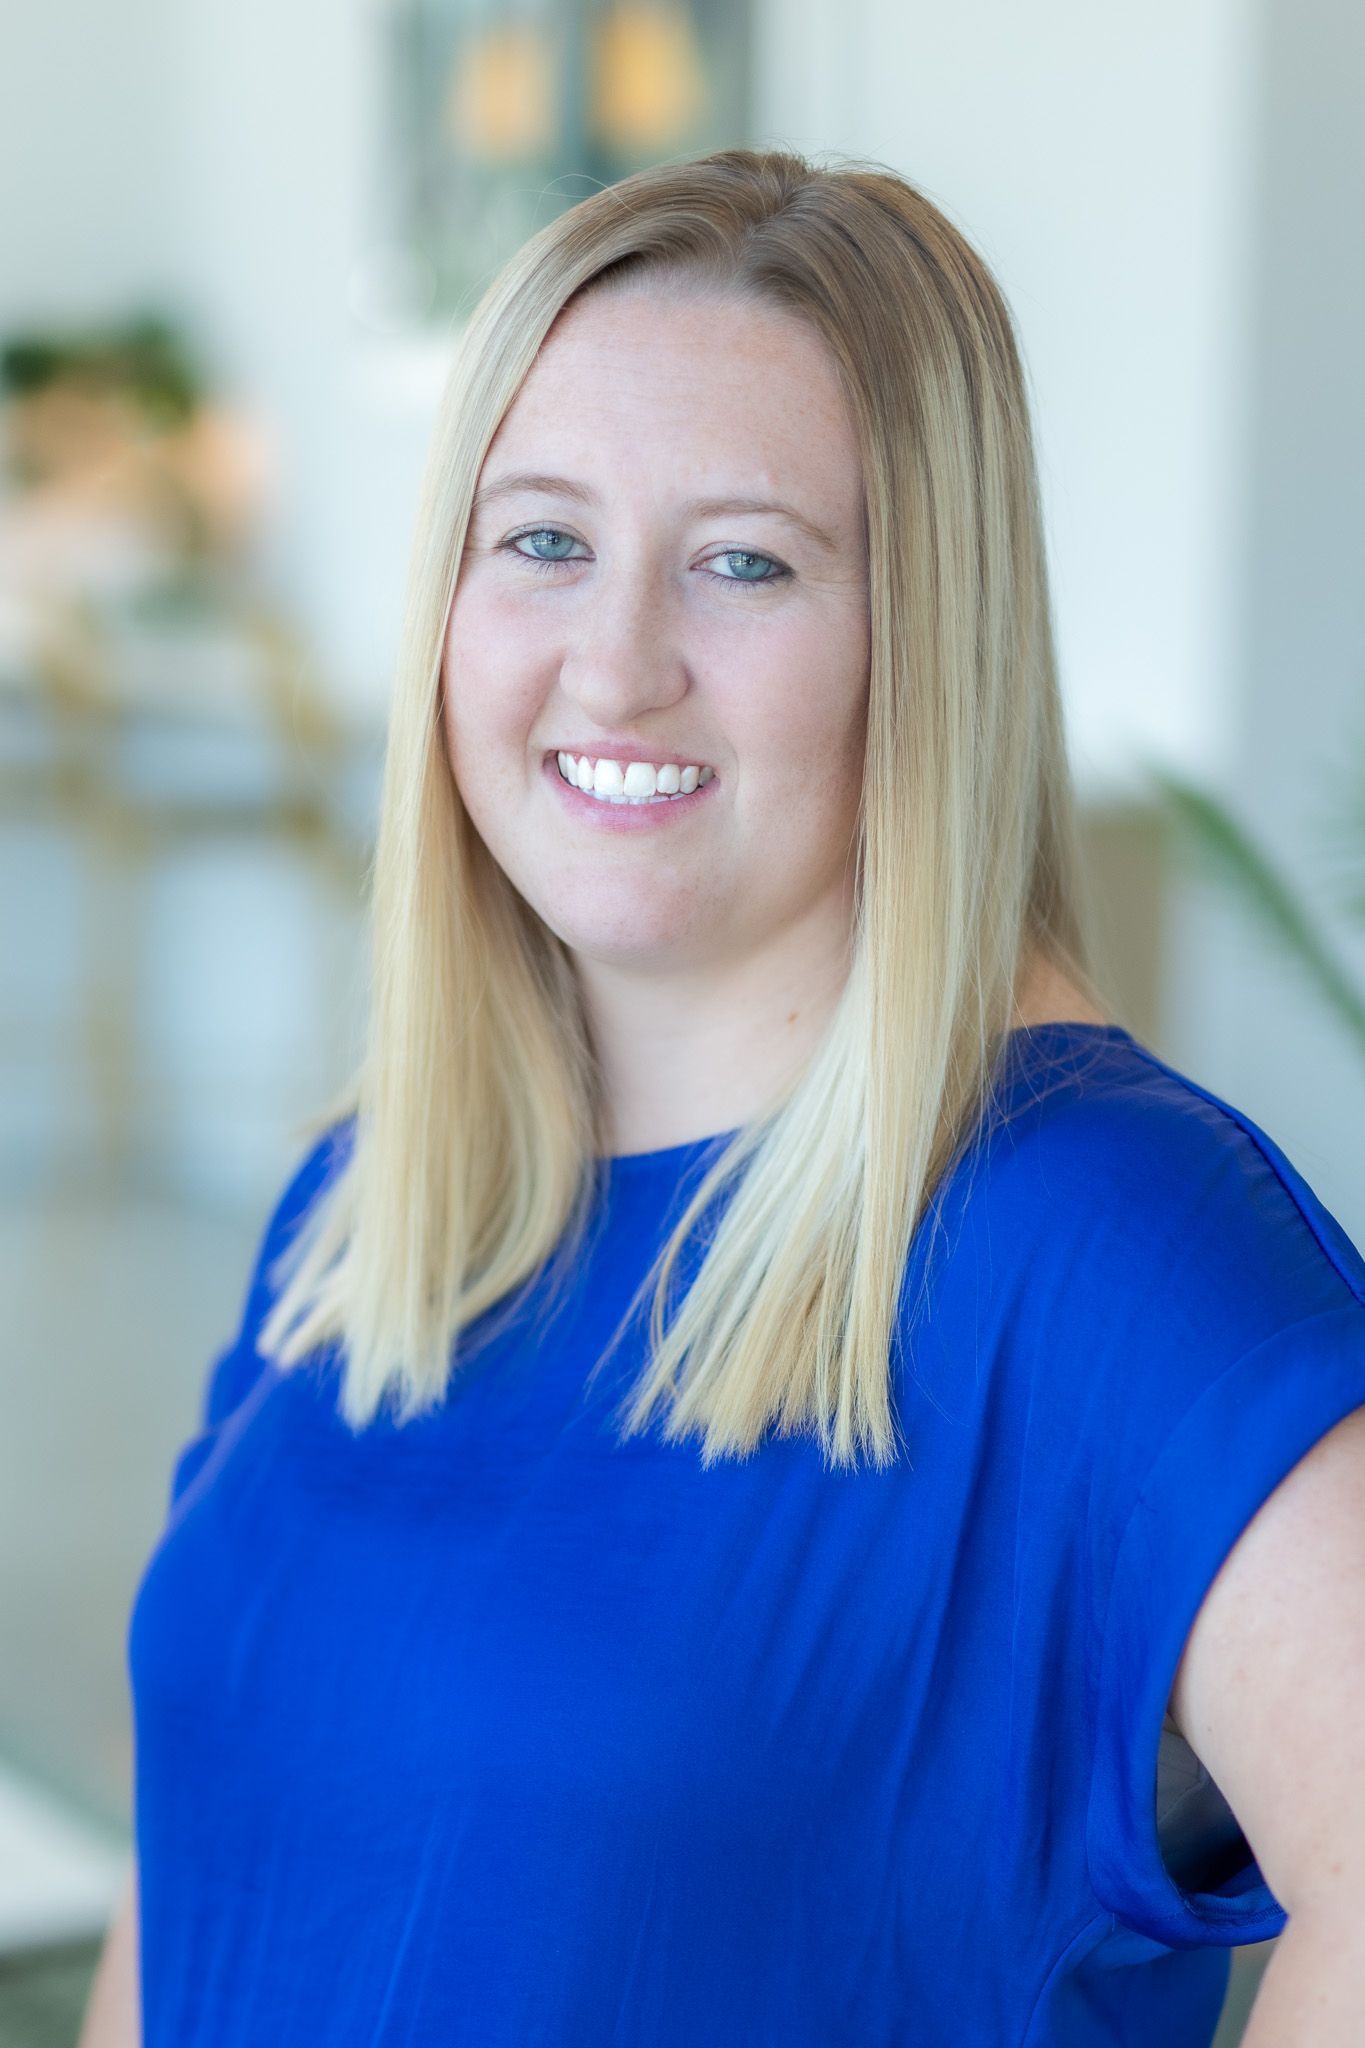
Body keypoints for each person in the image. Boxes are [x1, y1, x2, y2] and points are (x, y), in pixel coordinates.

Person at [80, 147, 1365, 2047]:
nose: (614, 667)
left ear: (925, 639)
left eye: (744, 563)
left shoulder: (1104, 1239)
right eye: (541, 541)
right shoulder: (370, 1196)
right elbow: (205, 1860)